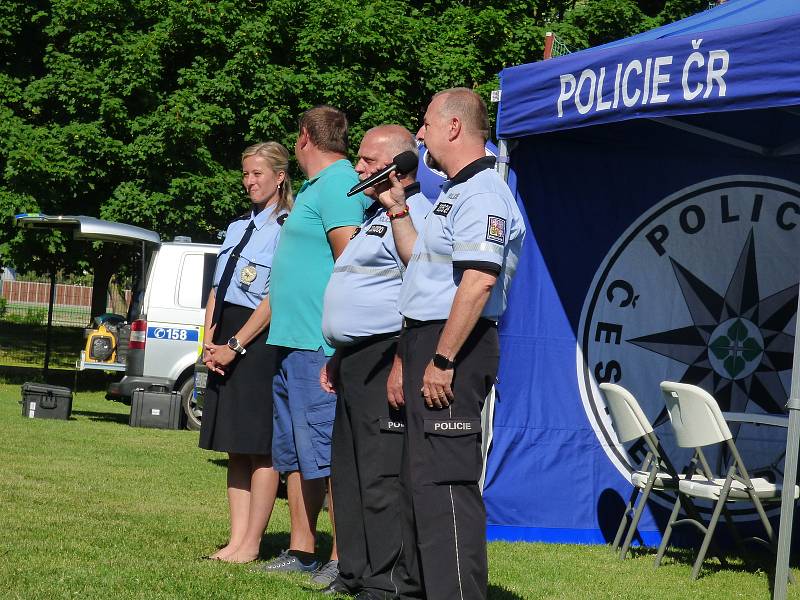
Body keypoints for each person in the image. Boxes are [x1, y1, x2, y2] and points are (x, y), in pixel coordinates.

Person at [376, 88, 526, 600]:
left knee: (444, 484)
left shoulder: (483, 193)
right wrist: (398, 210)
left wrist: (443, 358)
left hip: (455, 348)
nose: (419, 135)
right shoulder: (455, 193)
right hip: (429, 340)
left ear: (454, 127)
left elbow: (479, 282)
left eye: (425, 124)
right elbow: (424, 263)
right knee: (419, 482)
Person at [258, 106, 371, 581]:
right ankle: (302, 551)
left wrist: (338, 346)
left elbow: (352, 265)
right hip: (290, 343)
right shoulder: (318, 187)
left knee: (328, 457)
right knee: (296, 457)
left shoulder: (342, 184)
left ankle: (343, 560)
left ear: (304, 137)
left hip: (316, 348)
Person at [319, 125, 428, 599]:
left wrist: (403, 363)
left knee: (381, 476)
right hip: (356, 360)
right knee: (349, 472)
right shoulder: (372, 215)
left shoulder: (415, 214)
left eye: (366, 159)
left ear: (396, 165)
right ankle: (354, 573)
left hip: (387, 356)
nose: (358, 167)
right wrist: (339, 353)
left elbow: (417, 295)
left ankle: (384, 584)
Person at [198, 141, 293, 563]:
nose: (249, 181)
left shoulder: (288, 227)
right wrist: (208, 340)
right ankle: (235, 540)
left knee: (260, 446)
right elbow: (218, 289)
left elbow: (276, 297)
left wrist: (235, 346)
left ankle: (253, 541)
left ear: (279, 176)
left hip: (256, 341)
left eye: (258, 173)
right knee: (234, 444)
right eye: (246, 174)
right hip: (225, 337)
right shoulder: (238, 227)